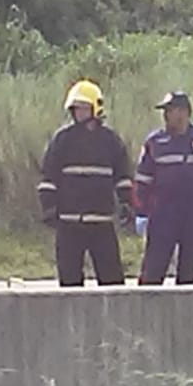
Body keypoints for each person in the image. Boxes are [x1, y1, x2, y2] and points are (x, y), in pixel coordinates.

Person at [37, 80, 134, 287]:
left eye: (83, 107)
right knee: (69, 281)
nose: (79, 112)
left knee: (112, 282)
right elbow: (49, 178)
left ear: (96, 108)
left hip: (101, 222)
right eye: (76, 108)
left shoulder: (110, 141)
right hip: (69, 223)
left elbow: (123, 177)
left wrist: (126, 203)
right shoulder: (63, 139)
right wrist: (49, 208)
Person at [133, 92, 193, 285]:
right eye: (165, 111)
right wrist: (141, 212)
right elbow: (143, 181)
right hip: (163, 213)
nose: (167, 116)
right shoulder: (155, 141)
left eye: (171, 110)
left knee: (189, 270)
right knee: (153, 269)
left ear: (184, 112)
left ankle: (185, 313)